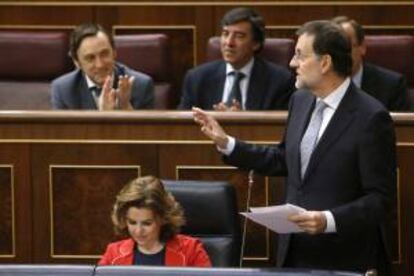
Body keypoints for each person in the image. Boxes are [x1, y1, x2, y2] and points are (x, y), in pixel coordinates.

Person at [193, 20, 396, 275]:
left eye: (300, 55)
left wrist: (328, 220)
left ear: (325, 62)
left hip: (344, 256)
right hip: (294, 252)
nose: (291, 63)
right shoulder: (300, 100)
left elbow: (380, 200)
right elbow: (284, 159)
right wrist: (228, 144)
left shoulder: (371, 117)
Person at [178, 7, 295, 111]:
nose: (229, 43)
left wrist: (242, 122)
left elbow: (281, 129)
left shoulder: (280, 81)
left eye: (239, 36)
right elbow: (183, 127)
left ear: (256, 43)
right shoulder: (197, 78)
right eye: (225, 34)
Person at [99, 176, 211, 267]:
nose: (138, 231)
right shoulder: (113, 253)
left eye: (147, 223)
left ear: (163, 218)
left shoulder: (191, 250)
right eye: (132, 222)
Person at [51, 23, 154, 110]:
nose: (100, 65)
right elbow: (64, 133)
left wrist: (125, 107)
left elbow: (148, 133)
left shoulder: (141, 86)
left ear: (114, 53)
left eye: (104, 54)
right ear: (77, 62)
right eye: (90, 58)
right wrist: (103, 118)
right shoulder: (63, 90)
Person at [332, 16, 411, 111]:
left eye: (345, 46)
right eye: (333, 48)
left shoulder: (392, 86)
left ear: (362, 47)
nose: (339, 54)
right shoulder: (316, 84)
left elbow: (402, 125)